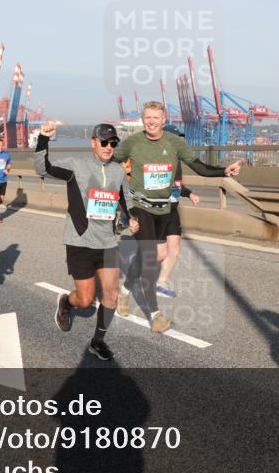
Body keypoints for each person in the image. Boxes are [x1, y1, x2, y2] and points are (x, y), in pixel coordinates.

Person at [112, 101, 242, 332]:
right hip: (142, 207)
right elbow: (110, 164)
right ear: (143, 119)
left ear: (164, 120)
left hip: (166, 209)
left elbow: (200, 167)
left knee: (146, 256)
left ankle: (124, 289)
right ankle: (156, 316)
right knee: (151, 258)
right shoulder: (132, 143)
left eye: (156, 118)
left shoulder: (175, 143)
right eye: (147, 117)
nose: (151, 121)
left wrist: (224, 171)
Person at [35, 122, 132, 361]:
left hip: (108, 241)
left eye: (113, 143)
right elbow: (42, 169)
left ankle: (97, 342)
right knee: (86, 299)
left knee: (110, 295)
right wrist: (43, 139)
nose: (109, 147)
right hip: (79, 241)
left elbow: (126, 199)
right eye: (104, 142)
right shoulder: (76, 165)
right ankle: (66, 303)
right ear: (93, 143)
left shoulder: (118, 170)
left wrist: (132, 218)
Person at [156, 126, 202, 298]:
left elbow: (177, 185)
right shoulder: (155, 160)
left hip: (173, 210)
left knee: (174, 250)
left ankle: (160, 283)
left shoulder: (177, 161)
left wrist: (189, 193)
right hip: (157, 211)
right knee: (160, 253)